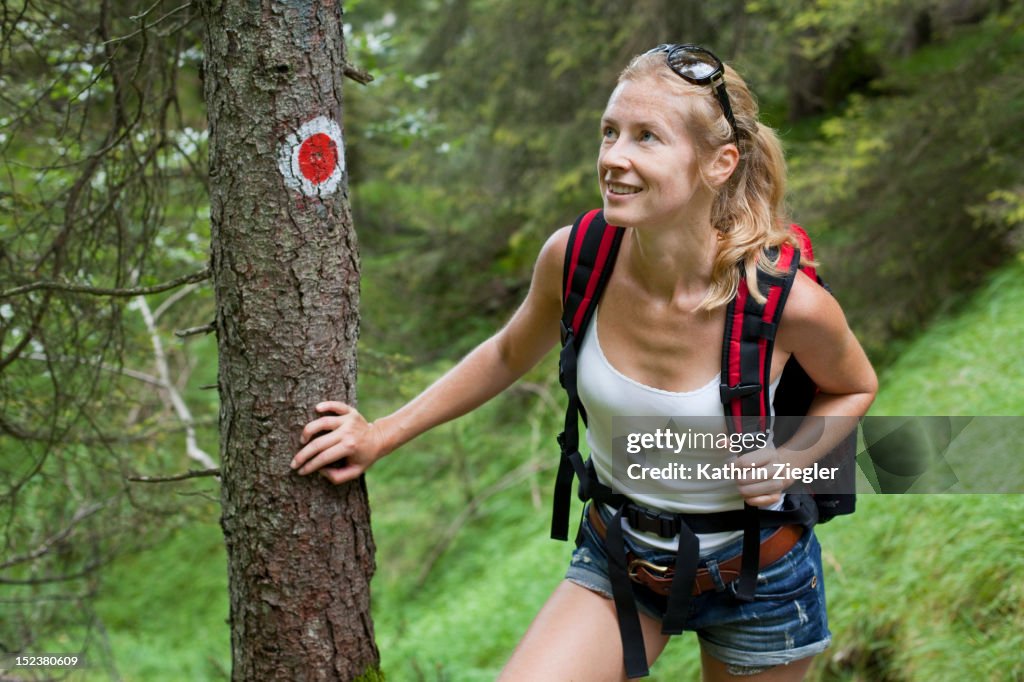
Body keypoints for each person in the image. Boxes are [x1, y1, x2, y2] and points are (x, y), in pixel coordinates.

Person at [291, 43, 878, 681]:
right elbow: (507, 352)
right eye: (609, 132)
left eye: (646, 138)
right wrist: (380, 433)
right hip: (619, 555)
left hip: (760, 572)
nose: (613, 159)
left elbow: (853, 386)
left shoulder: (785, 302)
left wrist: (792, 457)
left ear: (719, 162)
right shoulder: (577, 257)